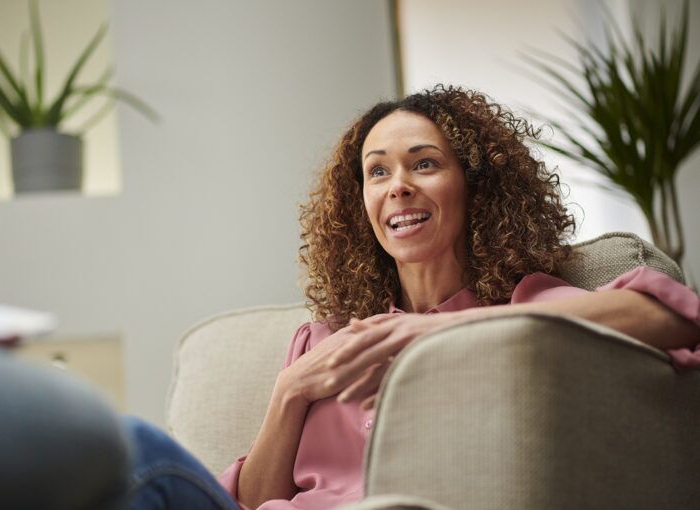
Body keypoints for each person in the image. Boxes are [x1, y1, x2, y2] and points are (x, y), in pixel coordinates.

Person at [217, 86, 700, 509]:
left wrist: (433, 330)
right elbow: (251, 502)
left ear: (475, 187)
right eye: (378, 172)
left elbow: (671, 314)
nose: (399, 186)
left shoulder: (521, 310)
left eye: (424, 164)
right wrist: (290, 391)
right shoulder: (322, 338)